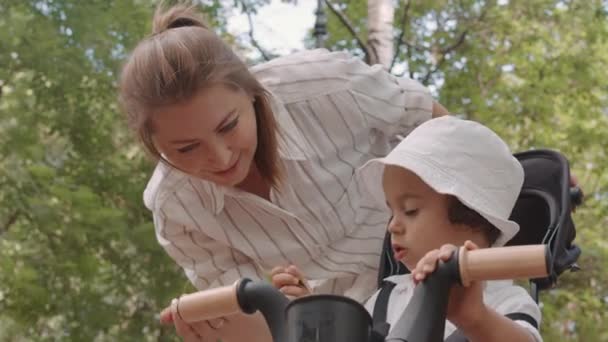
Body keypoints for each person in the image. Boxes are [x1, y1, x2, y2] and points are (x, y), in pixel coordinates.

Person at [119, 2, 449, 341]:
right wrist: (285, 310)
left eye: (228, 126)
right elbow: (259, 325)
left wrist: (478, 231)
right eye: (187, 148)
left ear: (250, 91)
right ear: (154, 146)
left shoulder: (327, 86)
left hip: (439, 275)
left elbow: (442, 126)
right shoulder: (177, 211)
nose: (219, 158)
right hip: (341, 325)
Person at [273, 116, 543, 341]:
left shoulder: (506, 301)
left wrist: (475, 319)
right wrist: (315, 313)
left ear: (471, 216)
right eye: (392, 211)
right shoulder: (386, 298)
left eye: (411, 210)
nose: (392, 225)